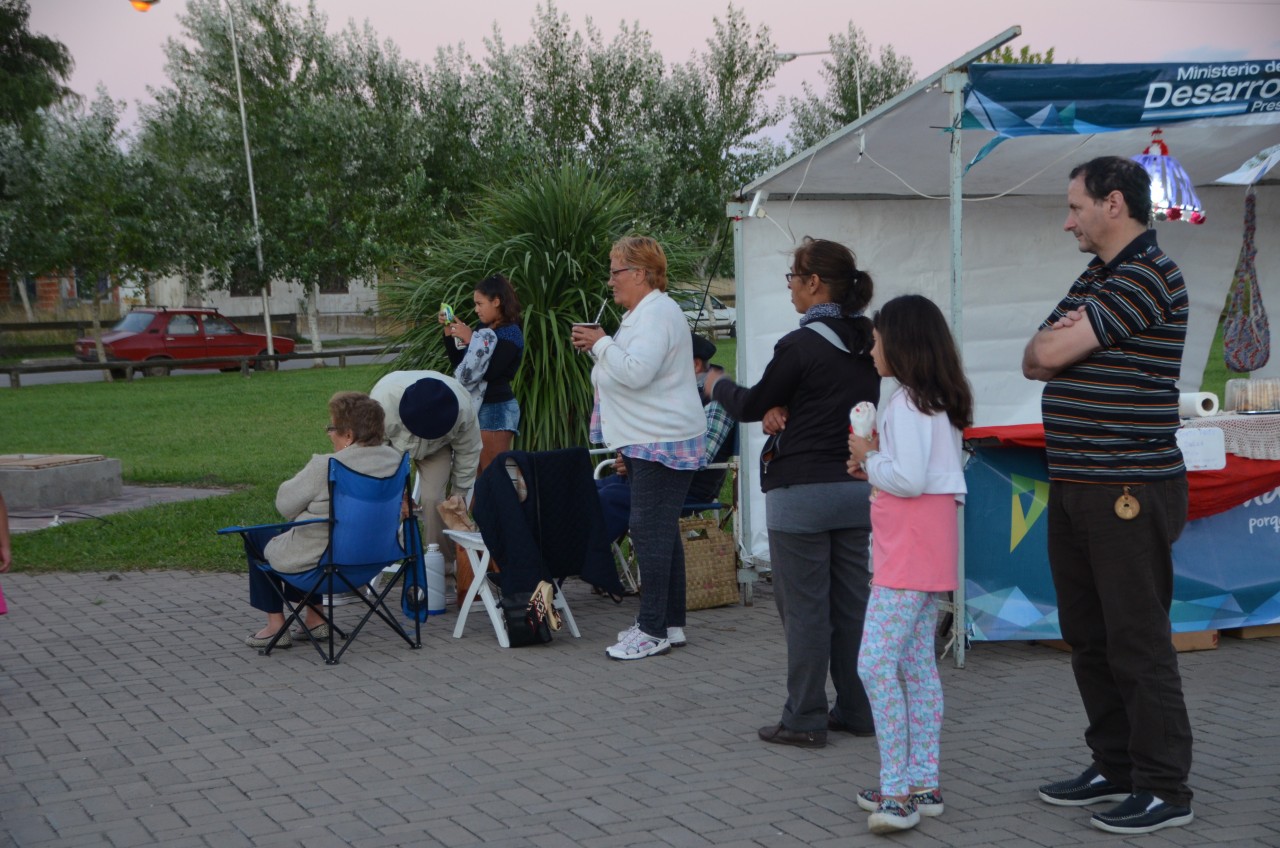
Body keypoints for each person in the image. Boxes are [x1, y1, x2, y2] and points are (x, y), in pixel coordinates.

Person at [1022, 155, 1194, 836]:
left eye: (1075, 207)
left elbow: (1055, 354)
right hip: (1078, 483)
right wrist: (1057, 343)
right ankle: (1116, 763)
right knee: (1088, 636)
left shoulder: (1151, 273)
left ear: (1113, 203)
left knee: (1136, 638)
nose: (1068, 222)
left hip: (1126, 486)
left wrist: (1062, 343)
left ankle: (1164, 787)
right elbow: (1033, 355)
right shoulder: (1099, 275)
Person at [704, 236, 880, 748]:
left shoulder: (800, 345)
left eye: (792, 279)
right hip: (854, 485)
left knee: (804, 611)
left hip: (800, 492)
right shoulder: (867, 340)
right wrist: (787, 409)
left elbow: (754, 402)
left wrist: (716, 384)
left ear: (814, 284)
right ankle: (856, 708)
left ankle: (803, 718)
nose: (789, 290)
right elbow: (828, 402)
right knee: (851, 608)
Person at [846, 295, 972, 834]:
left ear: (899, 342)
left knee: (874, 664)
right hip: (928, 543)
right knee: (915, 663)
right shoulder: (931, 400)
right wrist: (875, 463)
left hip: (909, 548)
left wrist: (867, 457)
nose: (872, 348)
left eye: (876, 339)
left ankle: (898, 793)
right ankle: (922, 781)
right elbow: (917, 475)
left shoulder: (908, 402)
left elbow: (909, 479)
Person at [572, 236, 706, 660]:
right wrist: (603, 346)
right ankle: (670, 623)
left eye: (616, 272)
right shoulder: (643, 314)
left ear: (641, 274)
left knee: (648, 530)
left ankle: (652, 629)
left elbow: (637, 373)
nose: (610, 281)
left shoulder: (655, 314)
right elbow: (629, 372)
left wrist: (601, 344)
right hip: (651, 436)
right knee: (660, 531)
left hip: (660, 438)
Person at [243, 392, 404, 649]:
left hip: (324, 567)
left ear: (348, 435)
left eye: (332, 428)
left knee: (257, 536)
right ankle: (315, 620)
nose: (329, 434)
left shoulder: (327, 465)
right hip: (373, 561)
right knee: (309, 532)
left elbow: (284, 505)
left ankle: (276, 626)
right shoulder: (396, 461)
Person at [595, 331, 737, 544]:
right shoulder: (674, 393)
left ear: (695, 365)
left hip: (685, 488)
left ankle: (587, 559)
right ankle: (569, 557)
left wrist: (637, 460)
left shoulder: (716, 400)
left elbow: (698, 456)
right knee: (586, 489)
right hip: (646, 479)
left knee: (610, 497)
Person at [369, 370, 482, 574]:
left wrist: (459, 494)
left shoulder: (463, 410)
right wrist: (399, 496)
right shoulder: (382, 403)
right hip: (392, 444)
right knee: (379, 497)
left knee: (434, 500)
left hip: (438, 447)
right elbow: (374, 456)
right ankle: (366, 565)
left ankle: (443, 569)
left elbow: (468, 451)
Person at [440, 274, 525, 473]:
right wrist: (449, 331)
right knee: (476, 476)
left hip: (497, 410)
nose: (476, 309)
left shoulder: (511, 333)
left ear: (496, 302)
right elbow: (462, 366)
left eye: (480, 303)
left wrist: (472, 340)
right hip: (476, 407)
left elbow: (492, 372)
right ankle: (476, 506)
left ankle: (505, 505)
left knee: (493, 475)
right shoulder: (482, 329)